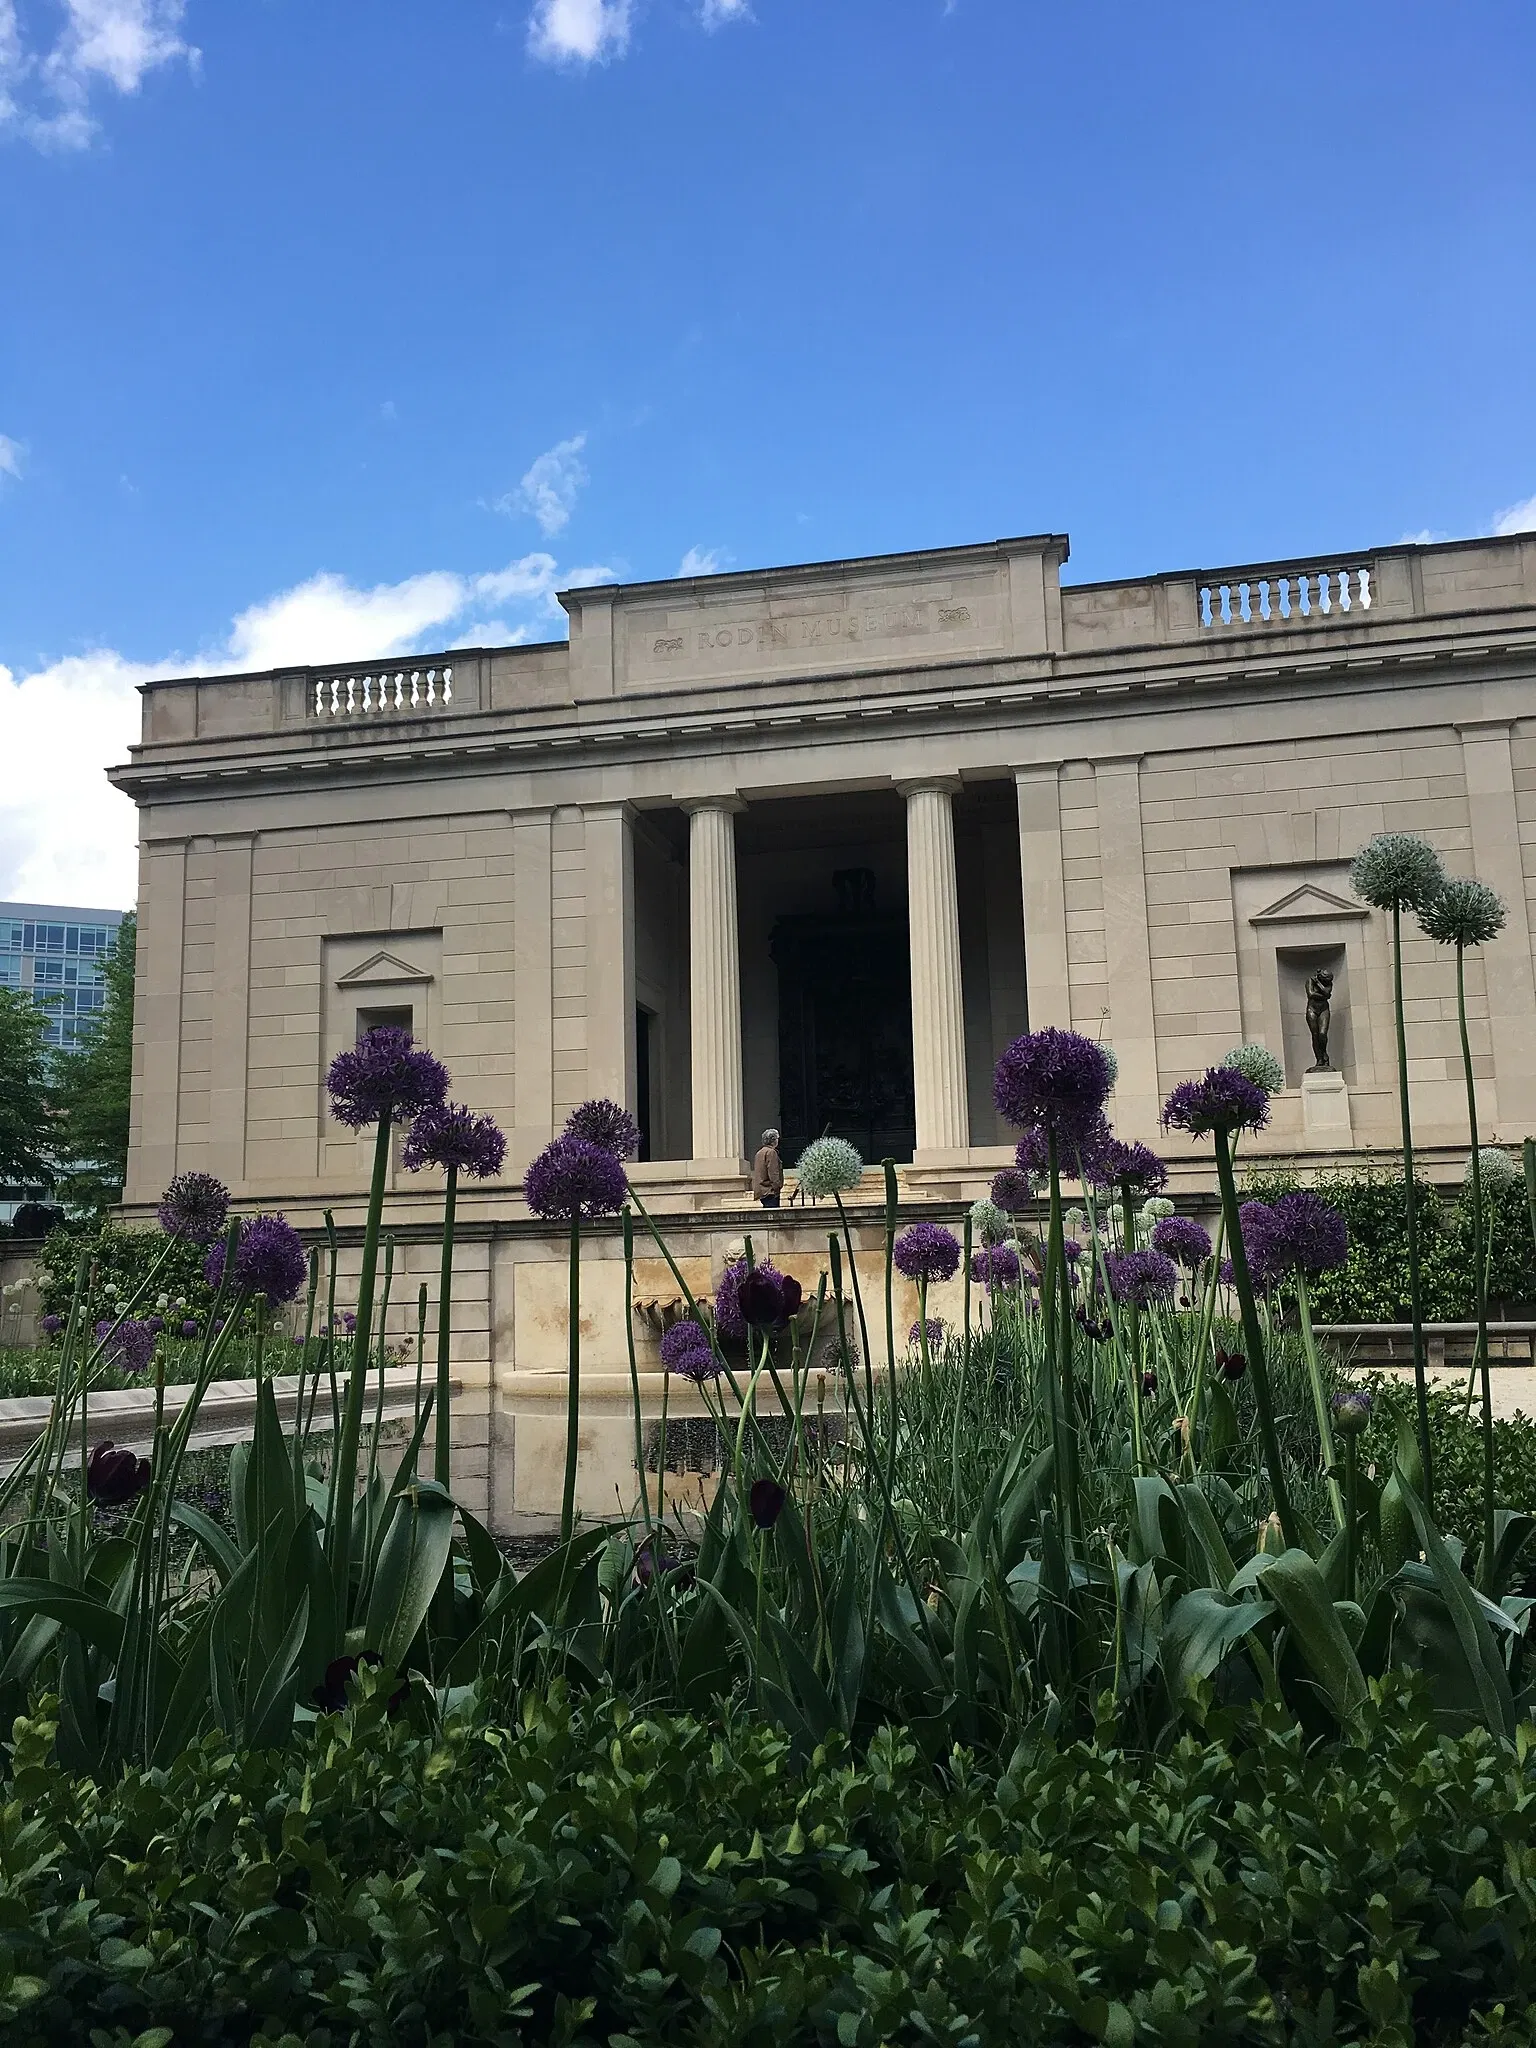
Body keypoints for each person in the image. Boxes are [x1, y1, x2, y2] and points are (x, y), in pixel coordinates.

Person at [751, 1127, 783, 1208]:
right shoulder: (771, 1152)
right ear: (774, 1140)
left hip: (762, 1191)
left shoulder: (759, 1153)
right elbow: (773, 1172)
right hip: (769, 1191)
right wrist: (777, 1188)